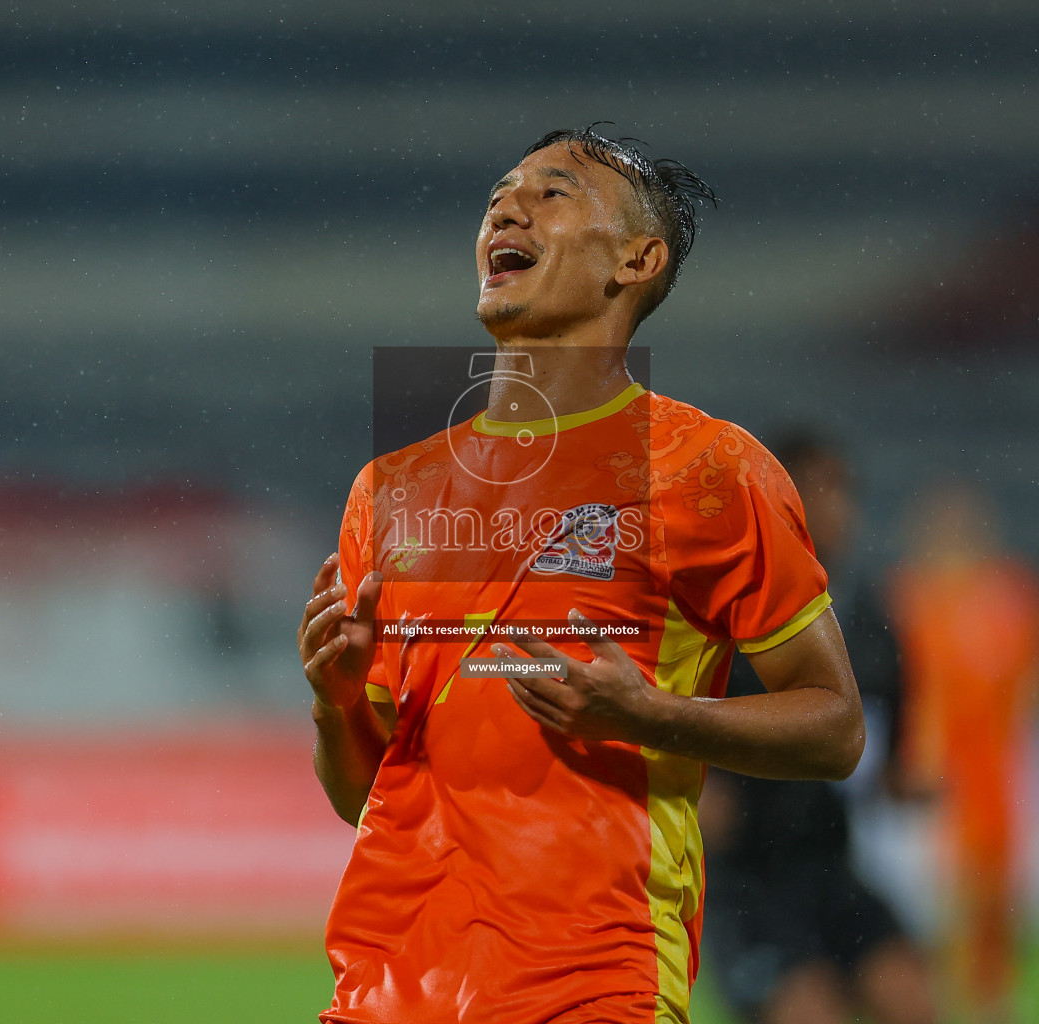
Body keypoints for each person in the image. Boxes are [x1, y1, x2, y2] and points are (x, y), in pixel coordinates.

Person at [296, 127, 866, 1024]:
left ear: (637, 259)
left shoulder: (711, 471)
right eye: (498, 196)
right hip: (385, 989)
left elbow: (835, 728)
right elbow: (361, 793)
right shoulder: (392, 490)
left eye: (551, 193)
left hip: (593, 983)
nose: (505, 209)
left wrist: (651, 717)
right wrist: (334, 701)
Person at [700, 432, 936, 1024]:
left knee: (912, 998)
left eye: (844, 491)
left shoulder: (865, 612)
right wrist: (697, 782)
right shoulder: (721, 600)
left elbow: (894, 735)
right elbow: (653, 699)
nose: (841, 507)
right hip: (747, 877)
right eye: (823, 489)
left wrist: (905, 780)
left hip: (829, 863)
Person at [886, 482, 1039, 1023]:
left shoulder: (1014, 593)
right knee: (934, 905)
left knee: (998, 904)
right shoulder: (906, 595)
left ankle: (989, 1003)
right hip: (927, 772)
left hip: (998, 771)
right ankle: (931, 1002)